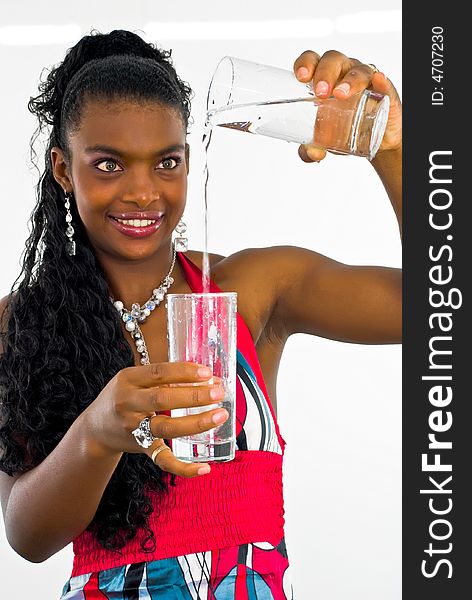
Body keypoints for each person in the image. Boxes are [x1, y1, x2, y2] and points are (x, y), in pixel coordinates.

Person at [0, 29, 401, 598]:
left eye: (166, 162)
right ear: (64, 169)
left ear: (188, 160)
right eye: (109, 165)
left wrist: (394, 149)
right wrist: (98, 431)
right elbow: (27, 533)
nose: (143, 192)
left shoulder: (253, 289)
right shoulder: (21, 324)